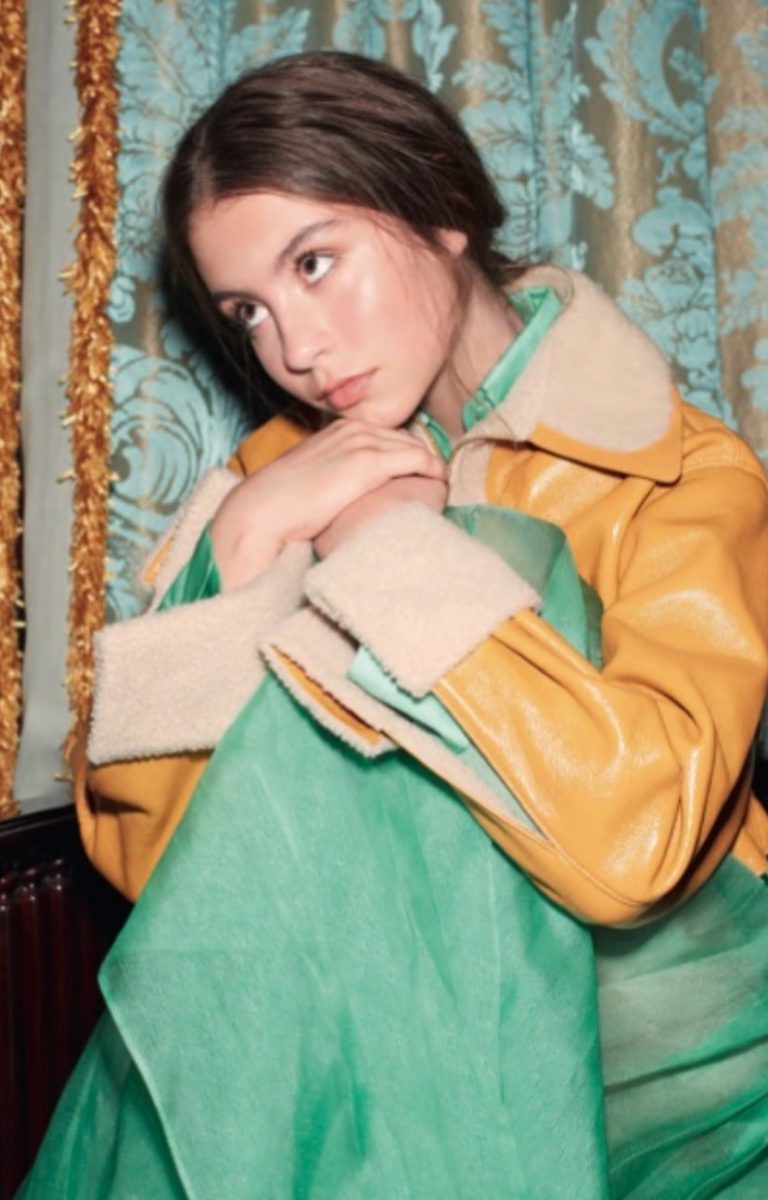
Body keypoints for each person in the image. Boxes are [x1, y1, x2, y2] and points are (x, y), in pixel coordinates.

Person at [20, 51, 768, 1199]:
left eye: (315, 263)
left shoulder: (678, 476)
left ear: (443, 204)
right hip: (373, 1062)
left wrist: (387, 550)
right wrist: (241, 550)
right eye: (250, 311)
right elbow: (157, 873)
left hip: (671, 1064)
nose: (294, 349)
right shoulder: (276, 481)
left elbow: (638, 854)